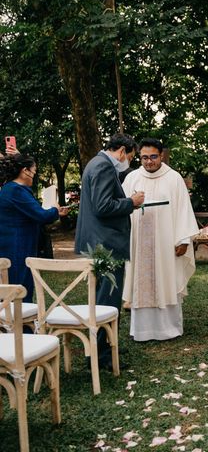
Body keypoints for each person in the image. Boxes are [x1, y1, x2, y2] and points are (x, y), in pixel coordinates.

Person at [74, 134, 145, 369]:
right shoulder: (104, 167)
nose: (128, 162)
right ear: (122, 151)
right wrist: (131, 202)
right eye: (131, 157)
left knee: (101, 298)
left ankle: (103, 346)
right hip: (106, 245)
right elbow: (103, 206)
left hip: (96, 241)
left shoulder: (94, 163)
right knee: (107, 300)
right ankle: (101, 354)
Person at [121, 138, 199, 341]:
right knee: (141, 280)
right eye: (144, 157)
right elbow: (122, 208)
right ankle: (142, 330)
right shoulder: (132, 179)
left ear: (161, 155)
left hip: (167, 243)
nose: (148, 162)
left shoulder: (174, 178)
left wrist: (183, 240)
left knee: (167, 279)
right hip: (139, 243)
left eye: (153, 157)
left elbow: (183, 210)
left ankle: (169, 328)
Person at [0, 154, 69, 301]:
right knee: (20, 289)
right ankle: (21, 322)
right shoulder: (15, 190)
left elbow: (33, 213)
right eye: (34, 171)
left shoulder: (10, 188)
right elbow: (40, 215)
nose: (34, 175)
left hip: (14, 245)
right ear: (25, 170)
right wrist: (55, 210)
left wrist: (55, 213)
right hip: (17, 248)